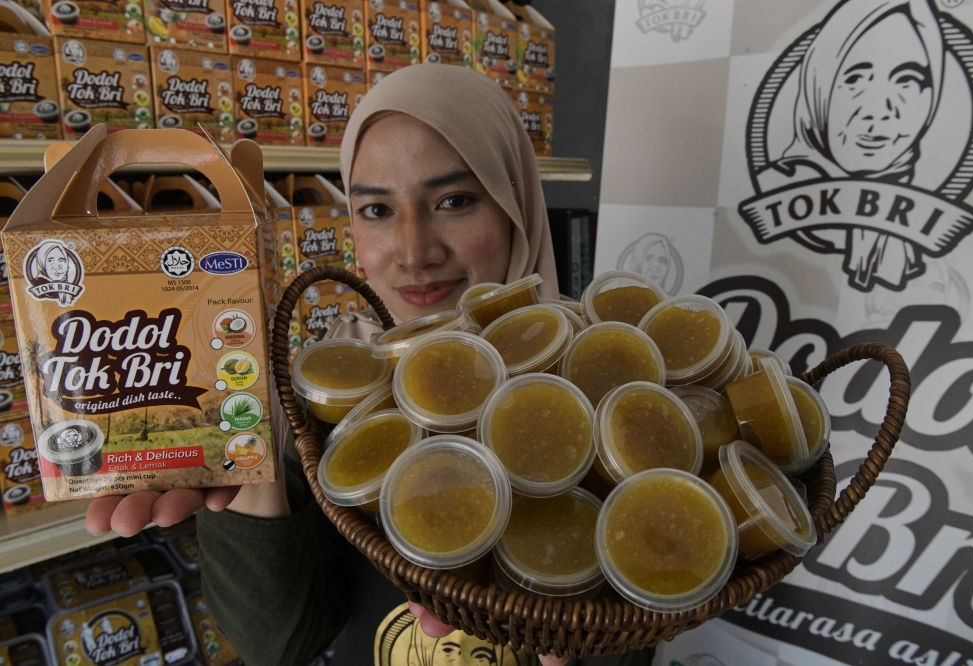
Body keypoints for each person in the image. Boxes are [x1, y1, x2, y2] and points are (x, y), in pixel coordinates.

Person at [85, 65, 654, 666]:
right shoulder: (327, 393)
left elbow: (659, 595)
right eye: (377, 210)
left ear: (515, 202)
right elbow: (277, 644)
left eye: (455, 200)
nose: (414, 252)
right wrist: (247, 455)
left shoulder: (602, 389)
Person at [758, 0, 944, 291]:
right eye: (856, 78)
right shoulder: (780, 181)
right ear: (818, 87)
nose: (878, 110)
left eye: (907, 80)